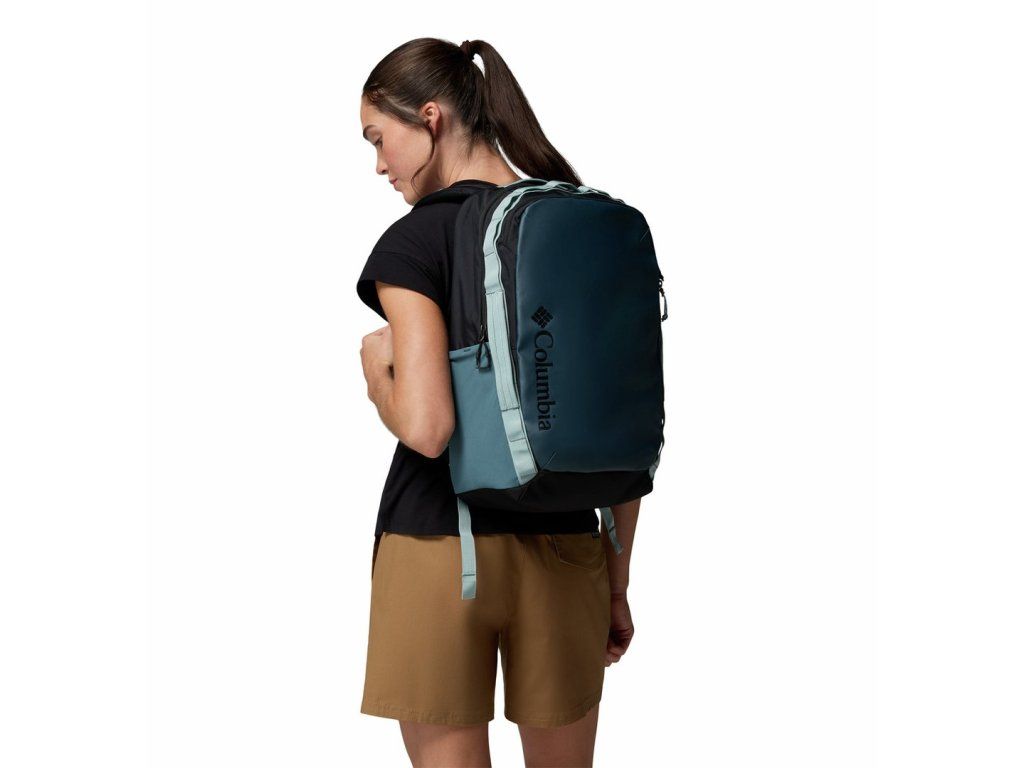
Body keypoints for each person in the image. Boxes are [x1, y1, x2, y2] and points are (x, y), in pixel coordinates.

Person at [356, 37, 642, 768]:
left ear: (430, 118)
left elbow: (428, 428)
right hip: (571, 549)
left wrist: (378, 374)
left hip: (440, 548)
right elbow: (620, 430)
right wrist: (616, 586)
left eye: (379, 139)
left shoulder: (417, 240)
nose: (380, 165)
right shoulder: (583, 227)